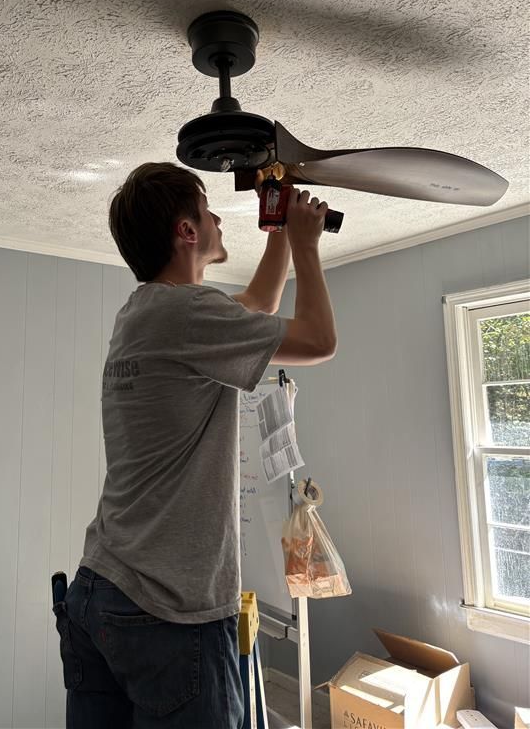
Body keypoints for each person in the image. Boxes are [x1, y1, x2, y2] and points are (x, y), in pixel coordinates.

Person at [52, 162, 337, 728]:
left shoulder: (146, 313)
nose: (216, 221)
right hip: (166, 611)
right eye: (208, 212)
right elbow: (319, 341)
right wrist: (307, 244)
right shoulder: (187, 314)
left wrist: (279, 226)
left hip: (98, 593)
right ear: (187, 231)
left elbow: (257, 299)